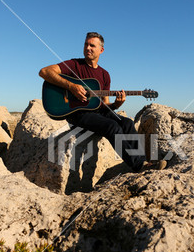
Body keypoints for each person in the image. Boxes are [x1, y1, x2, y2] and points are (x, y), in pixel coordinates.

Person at [39, 32, 166, 172]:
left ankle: (143, 162)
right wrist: (71, 86)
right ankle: (139, 166)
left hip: (97, 111)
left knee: (127, 123)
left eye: (92, 45)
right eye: (86, 44)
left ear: (101, 50)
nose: (88, 48)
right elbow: (44, 71)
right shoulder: (74, 64)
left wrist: (117, 104)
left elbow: (105, 105)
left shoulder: (104, 74)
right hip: (77, 113)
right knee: (112, 126)